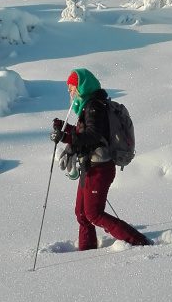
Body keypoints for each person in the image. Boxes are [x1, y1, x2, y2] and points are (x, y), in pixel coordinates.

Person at [52, 68, 152, 251]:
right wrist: (64, 132)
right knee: (82, 213)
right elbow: (85, 133)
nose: (70, 92)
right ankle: (86, 251)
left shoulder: (94, 106)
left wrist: (68, 137)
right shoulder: (88, 106)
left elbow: (92, 135)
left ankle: (140, 242)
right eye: (69, 89)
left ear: (82, 86)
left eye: (72, 88)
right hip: (90, 166)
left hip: (100, 168)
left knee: (93, 214)